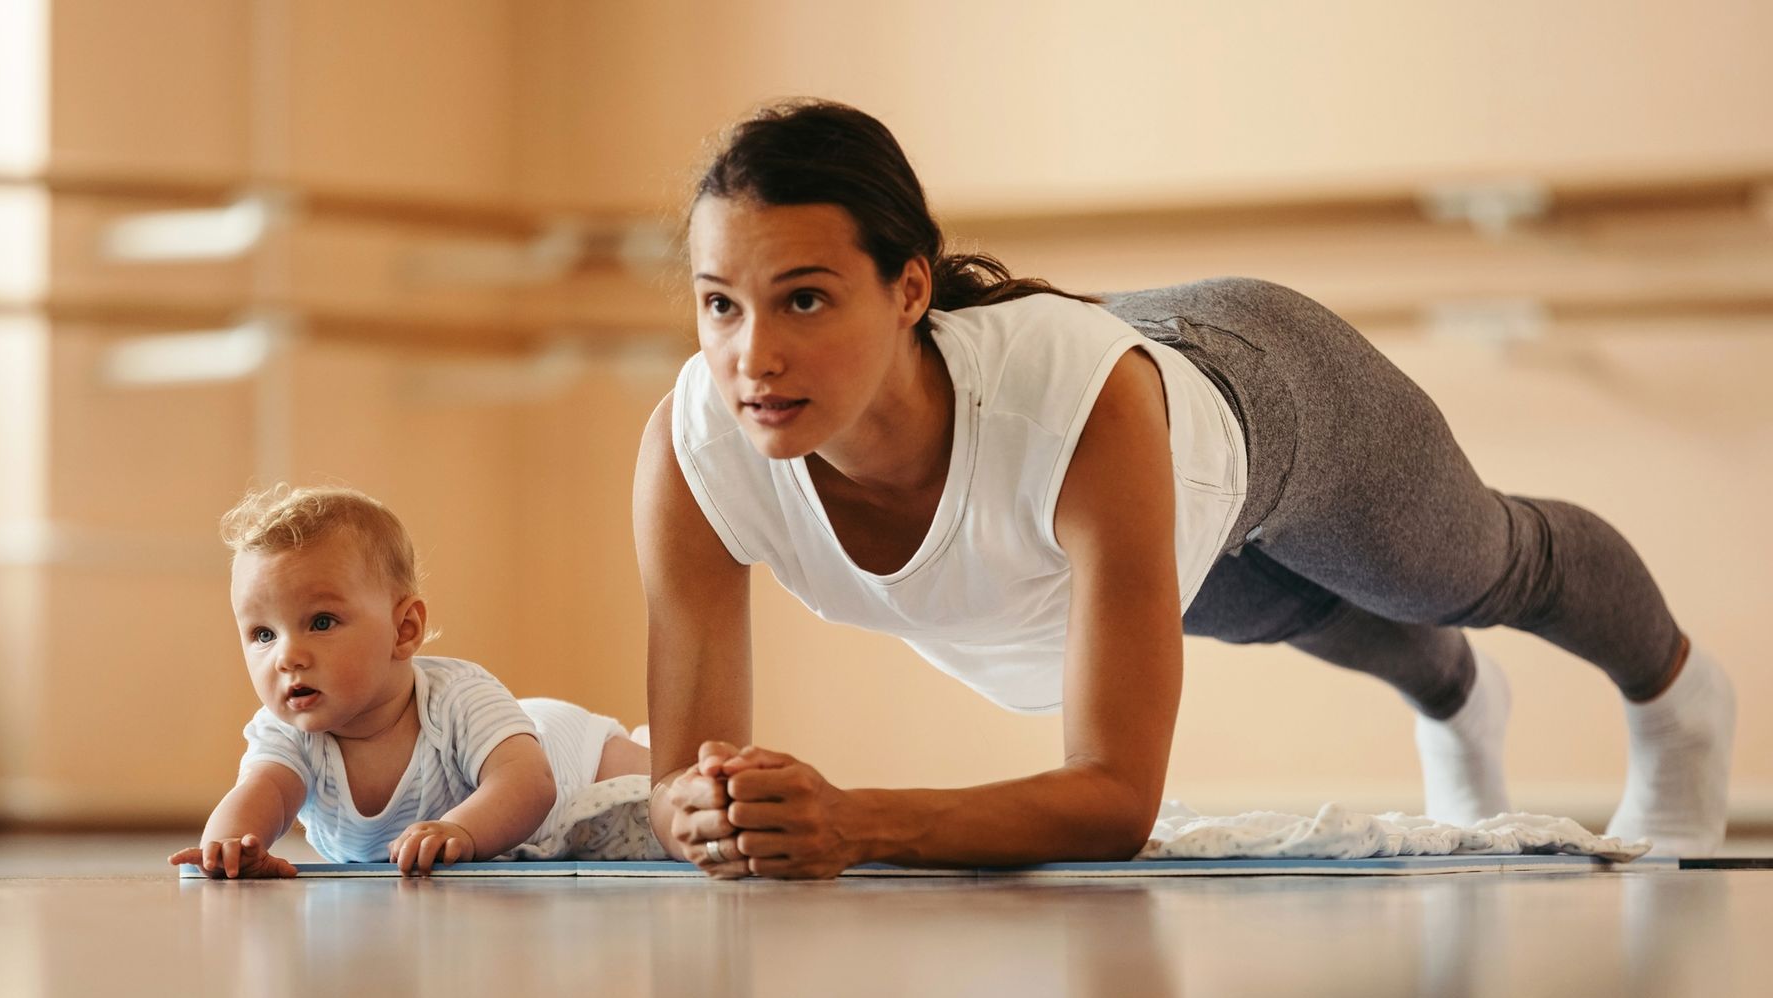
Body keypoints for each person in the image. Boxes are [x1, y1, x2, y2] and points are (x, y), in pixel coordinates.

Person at [633, 99, 1736, 879]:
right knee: (1297, 614)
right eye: (720, 303)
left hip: (1264, 393)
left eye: (806, 300)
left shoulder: (1079, 414)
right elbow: (675, 778)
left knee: (1466, 570)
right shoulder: (696, 449)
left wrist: (854, 822)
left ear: (910, 288)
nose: (753, 357)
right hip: (1120, 503)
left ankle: (1680, 701)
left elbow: (1114, 798)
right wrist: (707, 810)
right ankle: (1457, 704)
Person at [170, 485, 649, 878]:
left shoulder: (456, 697)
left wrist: (459, 830)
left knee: (664, 782)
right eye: (263, 634)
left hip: (565, 756)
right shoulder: (290, 736)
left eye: (320, 622)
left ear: (404, 630)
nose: (287, 656)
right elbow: (261, 796)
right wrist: (229, 847)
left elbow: (528, 783)